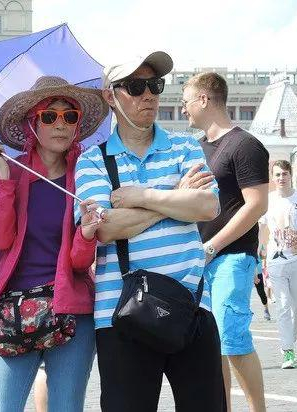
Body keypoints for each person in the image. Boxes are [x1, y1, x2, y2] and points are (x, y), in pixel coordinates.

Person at [76, 52, 225, 412]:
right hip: (121, 313)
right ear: (111, 96)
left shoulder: (185, 146)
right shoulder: (93, 160)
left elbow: (207, 207)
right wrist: (175, 197)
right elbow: (105, 228)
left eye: (155, 85)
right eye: (135, 86)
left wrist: (142, 197)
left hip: (192, 304)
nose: (148, 95)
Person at [0, 75, 108, 412]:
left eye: (70, 116)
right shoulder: (11, 170)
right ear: (32, 124)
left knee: (66, 408)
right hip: (14, 311)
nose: (60, 124)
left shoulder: (86, 173)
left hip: (71, 311)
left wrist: (87, 232)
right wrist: (2, 176)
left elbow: (79, 263)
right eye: (50, 116)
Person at [182, 72, 269, 411]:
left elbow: (257, 205)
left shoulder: (245, 145)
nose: (184, 109)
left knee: (232, 340)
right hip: (201, 259)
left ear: (204, 100)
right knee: (211, 345)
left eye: (187, 101)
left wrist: (213, 246)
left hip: (231, 256)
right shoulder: (195, 148)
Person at [258, 160, 297, 369]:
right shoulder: (268, 199)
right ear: (272, 177)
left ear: (290, 175)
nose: (281, 178)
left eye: (284, 174)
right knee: (282, 305)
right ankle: (288, 350)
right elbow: (261, 228)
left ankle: (291, 338)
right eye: (277, 174)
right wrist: (260, 251)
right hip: (276, 261)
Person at [254, 252, 271, 321]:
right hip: (246, 271)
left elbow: (263, 255)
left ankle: (266, 309)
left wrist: (263, 256)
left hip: (258, 272)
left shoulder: (260, 245)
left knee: (261, 292)